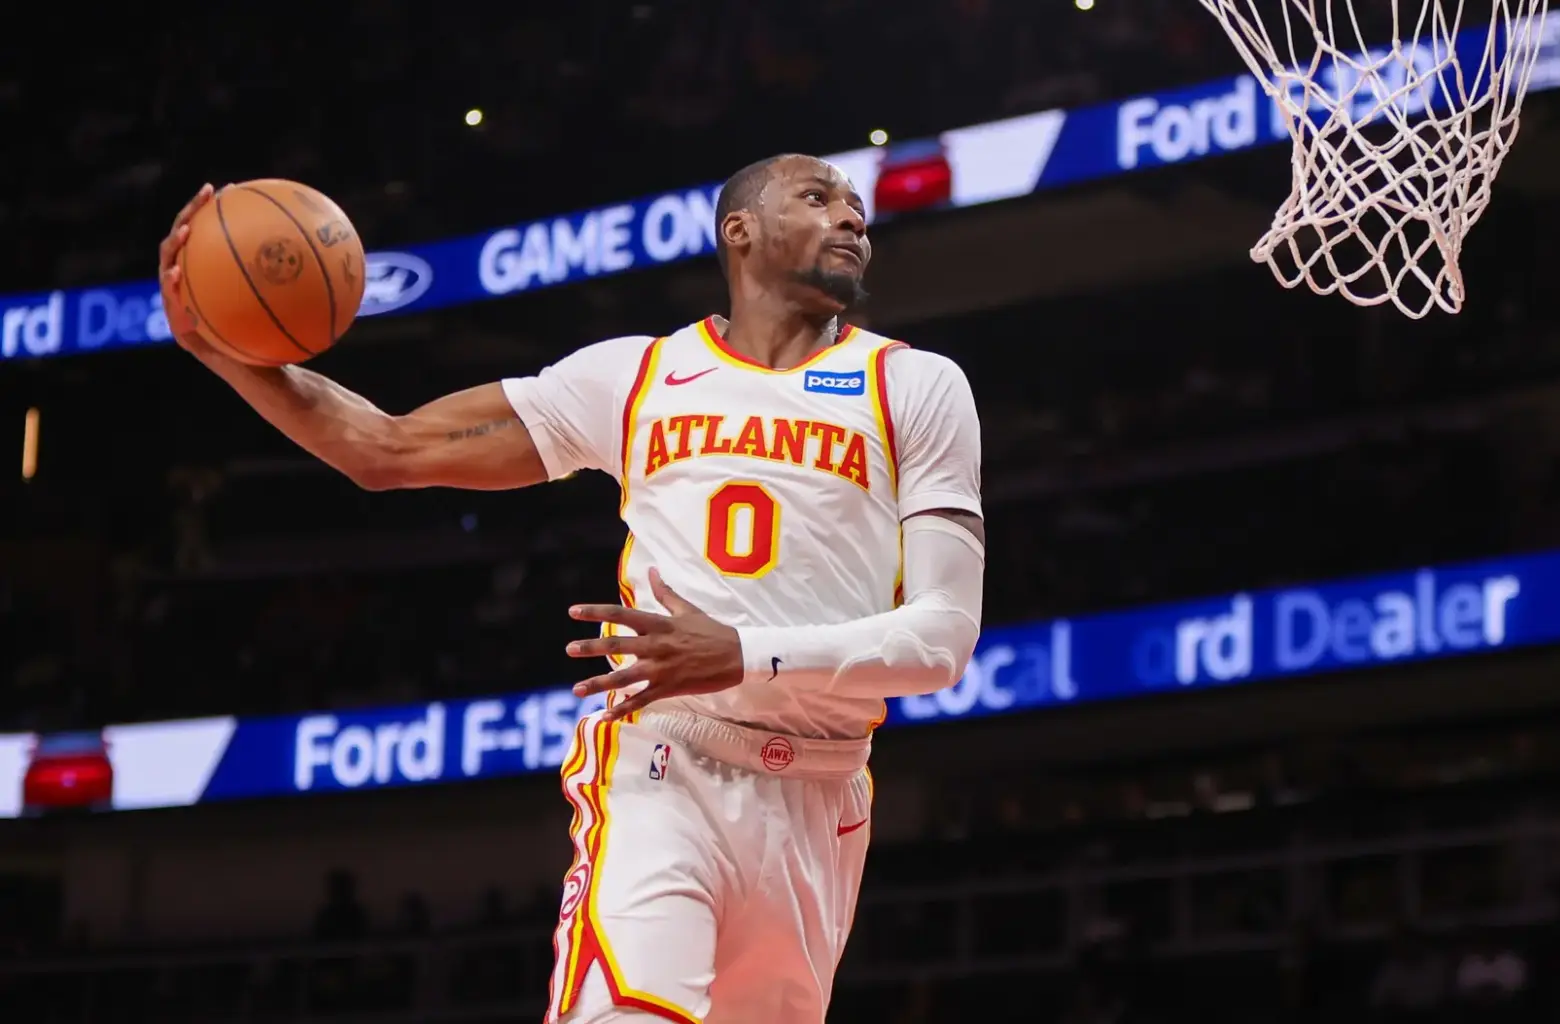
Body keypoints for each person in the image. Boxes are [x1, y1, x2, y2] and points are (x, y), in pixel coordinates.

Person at [156, 154, 986, 1024]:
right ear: (738, 230)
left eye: (858, 206)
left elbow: (942, 640)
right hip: (669, 762)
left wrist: (744, 652)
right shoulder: (634, 377)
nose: (853, 217)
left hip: (823, 790)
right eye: (819, 198)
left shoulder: (917, 386)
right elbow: (388, 449)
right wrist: (220, 351)